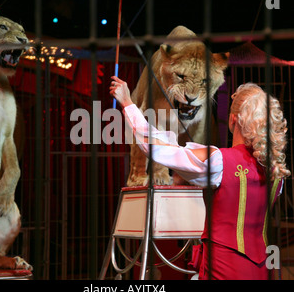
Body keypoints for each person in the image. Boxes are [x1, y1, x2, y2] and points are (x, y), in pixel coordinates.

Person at [109, 75, 291, 280]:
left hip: (224, 268)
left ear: (233, 119)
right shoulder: (277, 172)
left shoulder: (219, 162)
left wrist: (128, 103)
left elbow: (159, 149)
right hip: (261, 270)